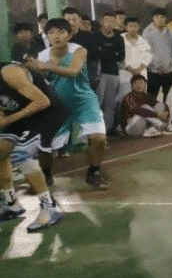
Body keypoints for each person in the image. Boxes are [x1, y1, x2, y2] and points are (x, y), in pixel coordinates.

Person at [26, 18, 109, 190]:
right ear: (47, 36)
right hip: (57, 105)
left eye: (61, 32)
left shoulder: (78, 50)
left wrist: (45, 67)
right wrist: (32, 69)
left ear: (69, 35)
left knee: (99, 138)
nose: (56, 36)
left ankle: (94, 172)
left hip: (83, 100)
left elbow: (73, 71)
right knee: (45, 144)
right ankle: (46, 175)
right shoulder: (42, 56)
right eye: (51, 33)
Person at [0, 61, 71, 231]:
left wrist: (7, 120)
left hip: (48, 112)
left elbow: (43, 101)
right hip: (21, 113)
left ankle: (50, 207)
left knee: (19, 154)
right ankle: (10, 203)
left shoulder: (9, 73)